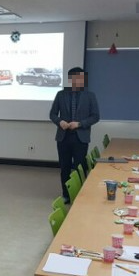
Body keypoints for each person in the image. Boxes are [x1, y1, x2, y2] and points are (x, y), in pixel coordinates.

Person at [48, 67, 100, 203]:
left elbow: (95, 116)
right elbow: (52, 114)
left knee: (79, 167)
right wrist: (60, 122)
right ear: (71, 79)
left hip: (81, 137)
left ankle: (78, 195)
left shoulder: (90, 95)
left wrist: (80, 124)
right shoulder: (61, 94)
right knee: (64, 167)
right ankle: (66, 194)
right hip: (63, 137)